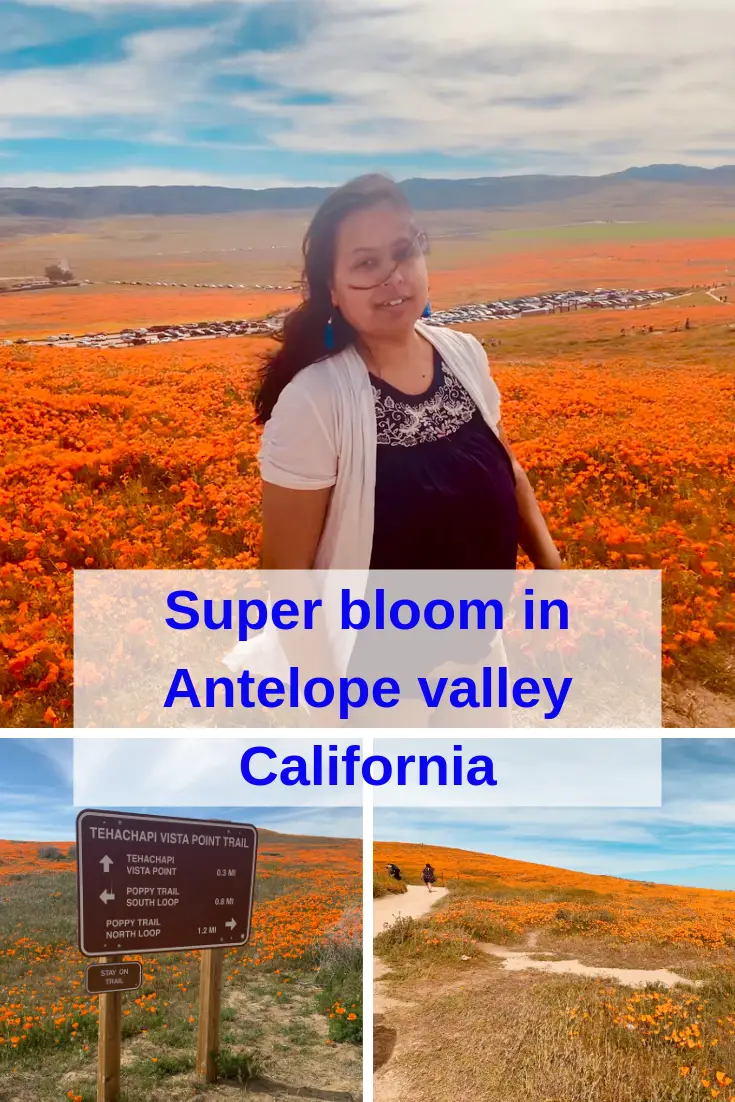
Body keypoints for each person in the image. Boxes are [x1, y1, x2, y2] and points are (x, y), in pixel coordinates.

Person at [255, 172, 562, 576]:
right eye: (367, 262)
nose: (394, 277)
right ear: (332, 288)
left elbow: (510, 470)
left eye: (404, 252)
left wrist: (551, 566)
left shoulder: (464, 354)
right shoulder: (316, 399)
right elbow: (284, 571)